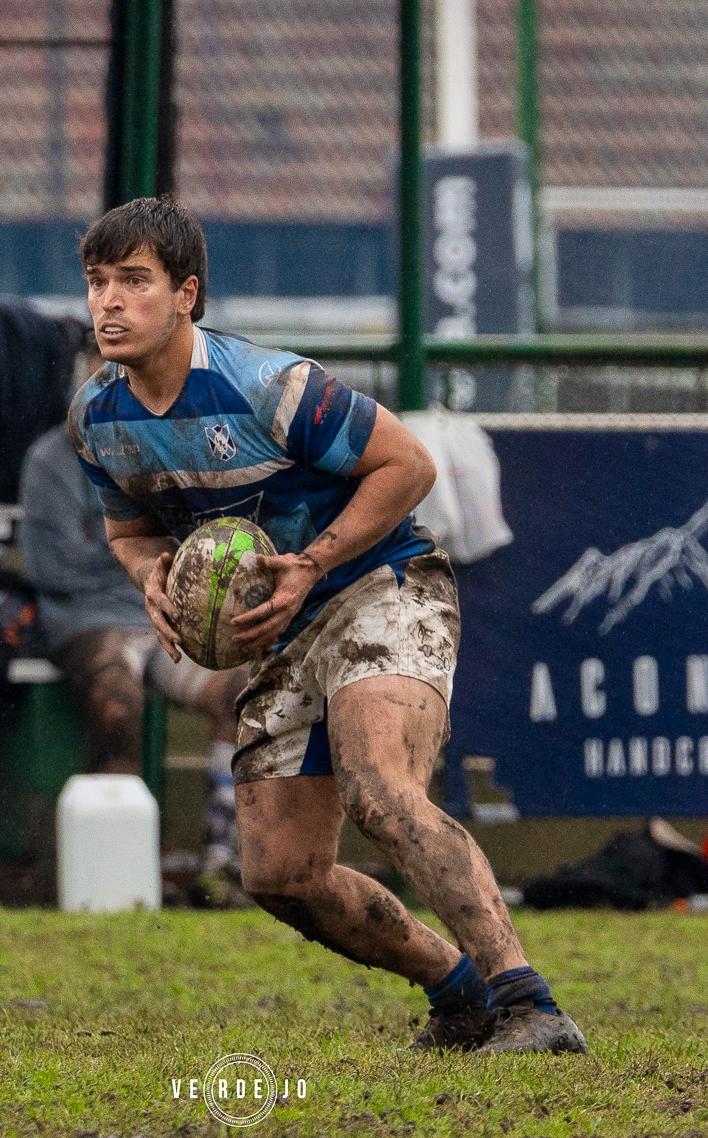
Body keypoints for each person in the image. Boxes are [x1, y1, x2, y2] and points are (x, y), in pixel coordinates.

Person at [68, 197, 586, 1055]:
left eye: (135, 282)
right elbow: (130, 532)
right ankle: (457, 993)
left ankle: (528, 1001)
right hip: (288, 628)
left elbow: (408, 465)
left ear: (187, 294)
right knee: (279, 874)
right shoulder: (99, 420)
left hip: (381, 584)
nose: (110, 304)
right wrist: (150, 577)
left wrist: (313, 561)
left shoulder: (270, 388)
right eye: (97, 283)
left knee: (379, 786)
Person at [20, 419, 250, 880]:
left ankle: (222, 859)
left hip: (165, 615)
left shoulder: (166, 452)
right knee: (116, 705)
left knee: (240, 693)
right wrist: (142, 557)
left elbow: (201, 548)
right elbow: (54, 567)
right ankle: (116, 872)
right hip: (89, 618)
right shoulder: (51, 460)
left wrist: (126, 552)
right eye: (96, 357)